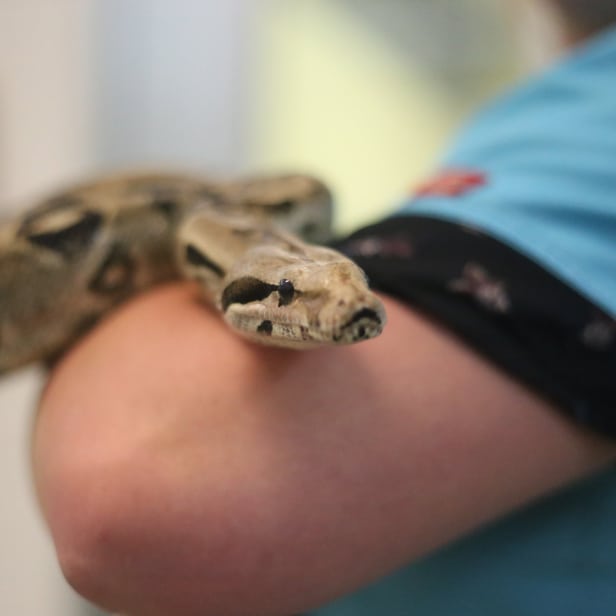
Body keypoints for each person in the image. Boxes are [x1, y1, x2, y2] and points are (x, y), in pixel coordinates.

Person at [32, 2, 616, 615]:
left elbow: (134, 503)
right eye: (288, 295)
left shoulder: (594, 131)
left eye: (355, 280)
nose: (343, 302)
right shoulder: (554, 110)